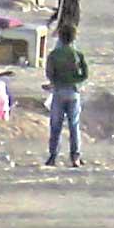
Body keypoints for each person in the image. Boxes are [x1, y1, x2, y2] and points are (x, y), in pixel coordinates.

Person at [44, 24, 88, 167]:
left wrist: (55, 82)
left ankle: (53, 156)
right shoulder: (77, 54)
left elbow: (49, 73)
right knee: (74, 126)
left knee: (55, 126)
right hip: (73, 92)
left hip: (58, 92)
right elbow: (85, 74)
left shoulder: (54, 55)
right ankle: (75, 156)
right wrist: (74, 81)